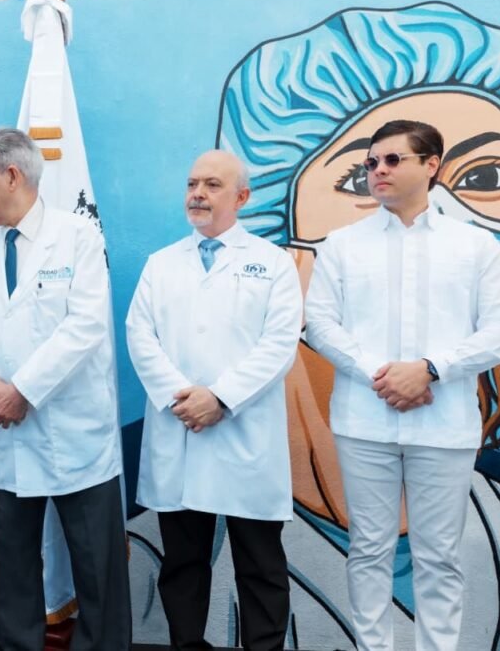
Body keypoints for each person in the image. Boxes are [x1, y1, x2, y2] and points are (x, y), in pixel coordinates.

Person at [304, 120, 500, 651]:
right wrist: (383, 376)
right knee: (369, 550)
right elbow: (319, 324)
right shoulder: (342, 245)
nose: (377, 170)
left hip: (444, 425)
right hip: (364, 423)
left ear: (431, 165)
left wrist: (430, 368)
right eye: (371, 162)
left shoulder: (475, 246)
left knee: (439, 556)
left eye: (392, 159)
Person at [0, 127, 130, 650]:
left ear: (12, 174)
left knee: (97, 569)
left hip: (75, 434)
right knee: (14, 567)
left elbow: (85, 327)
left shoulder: (78, 238)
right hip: (8, 434)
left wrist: (21, 391)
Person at [126, 150, 301, 650]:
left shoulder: (273, 263)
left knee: (261, 565)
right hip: (179, 426)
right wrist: (182, 399)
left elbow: (279, 343)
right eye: (192, 184)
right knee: (183, 563)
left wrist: (221, 398)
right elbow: (140, 334)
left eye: (212, 185)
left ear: (241, 197)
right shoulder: (161, 264)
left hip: (245, 434)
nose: (198, 194)